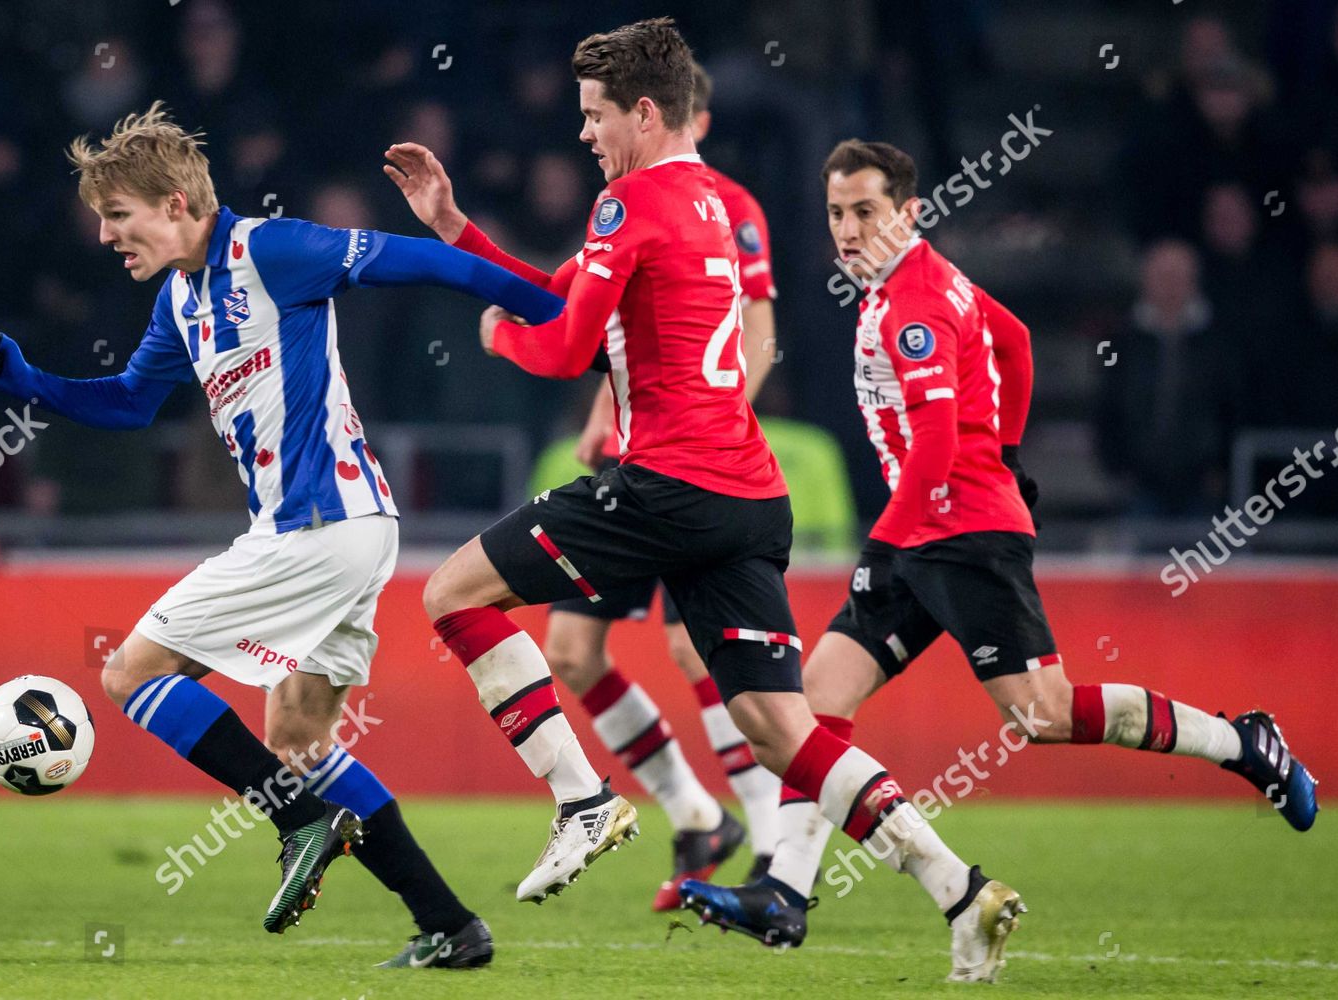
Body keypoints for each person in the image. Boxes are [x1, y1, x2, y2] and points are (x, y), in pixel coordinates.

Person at [386, 19, 1020, 983]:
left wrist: (497, 338)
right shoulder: (715, 207)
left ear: (644, 112)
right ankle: (960, 891)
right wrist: (456, 230)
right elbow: (565, 300)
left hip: (663, 486)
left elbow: (559, 343)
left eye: (597, 116)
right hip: (745, 495)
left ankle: (584, 802)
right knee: (784, 730)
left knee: (452, 595)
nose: (586, 135)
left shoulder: (627, 204)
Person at [680, 139, 1320, 951]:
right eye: (837, 212)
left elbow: (941, 438)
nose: (847, 229)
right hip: (933, 527)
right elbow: (1013, 341)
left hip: (963, 534)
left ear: (908, 212)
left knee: (1044, 714)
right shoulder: (924, 278)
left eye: (867, 211)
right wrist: (1010, 457)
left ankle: (1244, 743)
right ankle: (786, 893)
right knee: (816, 705)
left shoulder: (910, 302)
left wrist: (888, 541)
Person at [0, 101, 564, 964]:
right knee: (297, 739)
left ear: (176, 203)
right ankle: (449, 924)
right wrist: (29, 379)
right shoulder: (181, 300)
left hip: (316, 527)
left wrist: (549, 309)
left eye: (118, 216)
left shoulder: (271, 251)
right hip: (353, 530)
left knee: (130, 672)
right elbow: (132, 402)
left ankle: (299, 822)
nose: (105, 236)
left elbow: (422, 262)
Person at [535, 62, 784, 911]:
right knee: (571, 649)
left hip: (694, 465)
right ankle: (694, 813)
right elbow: (623, 331)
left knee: (691, 647)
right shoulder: (634, 203)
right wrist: (608, 407)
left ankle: (768, 837)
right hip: (633, 459)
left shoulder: (730, 209)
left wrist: (707, 429)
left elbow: (753, 338)